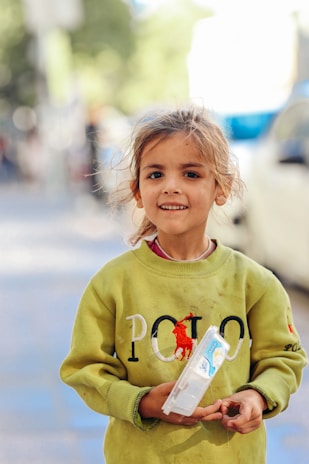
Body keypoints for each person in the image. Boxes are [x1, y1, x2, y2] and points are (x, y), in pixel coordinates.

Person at [60, 105, 307, 464]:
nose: (171, 186)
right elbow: (84, 370)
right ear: (138, 190)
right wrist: (141, 402)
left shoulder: (255, 283)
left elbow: (283, 358)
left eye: (191, 174)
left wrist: (257, 397)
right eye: (156, 174)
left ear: (220, 188)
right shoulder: (112, 283)